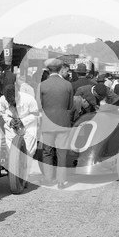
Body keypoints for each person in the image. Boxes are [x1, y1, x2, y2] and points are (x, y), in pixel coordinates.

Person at [37, 58, 74, 189]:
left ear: (48, 70)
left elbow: (39, 106)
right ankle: (61, 181)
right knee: (62, 152)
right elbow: (70, 106)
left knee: (47, 151)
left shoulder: (42, 85)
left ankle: (48, 178)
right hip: (63, 122)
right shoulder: (68, 85)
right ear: (60, 69)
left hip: (47, 123)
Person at [0, 83, 39, 155]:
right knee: (12, 152)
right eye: (8, 101)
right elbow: (2, 113)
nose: (10, 103)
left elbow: (36, 114)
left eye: (12, 101)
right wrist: (10, 121)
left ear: (17, 95)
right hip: (12, 126)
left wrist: (23, 121)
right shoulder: (2, 100)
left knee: (29, 151)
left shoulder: (29, 99)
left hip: (28, 126)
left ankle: (27, 163)